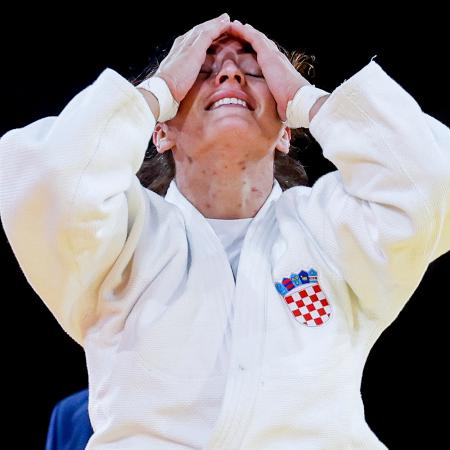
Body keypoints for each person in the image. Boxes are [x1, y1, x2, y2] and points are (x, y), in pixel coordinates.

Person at [1, 12, 449, 450]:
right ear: (160, 131)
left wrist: (308, 99)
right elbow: (48, 180)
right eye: (202, 71)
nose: (231, 74)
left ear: (284, 133)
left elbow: (433, 182)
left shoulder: (331, 229)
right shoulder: (120, 236)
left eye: (256, 72)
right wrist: (154, 91)